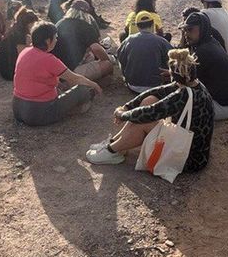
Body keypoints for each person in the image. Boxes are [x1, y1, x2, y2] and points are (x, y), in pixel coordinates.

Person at [86, 48, 214, 171]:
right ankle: (116, 144)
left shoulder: (183, 95)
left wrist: (122, 114)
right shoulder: (195, 85)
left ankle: (112, 150)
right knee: (149, 100)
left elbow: (150, 113)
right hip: (192, 149)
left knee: (142, 121)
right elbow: (156, 92)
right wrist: (127, 107)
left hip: (188, 159)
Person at [13, 22, 102, 126]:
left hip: (17, 109)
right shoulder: (49, 59)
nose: (56, 40)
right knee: (82, 90)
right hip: (39, 113)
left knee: (60, 87)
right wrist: (94, 85)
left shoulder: (24, 52)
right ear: (48, 41)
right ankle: (76, 108)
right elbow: (75, 79)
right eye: (55, 37)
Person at [179, 11, 228, 120]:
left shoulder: (204, 51)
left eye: (190, 30)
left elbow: (185, 80)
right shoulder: (210, 42)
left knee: (176, 105)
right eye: (185, 30)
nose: (186, 34)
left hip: (221, 107)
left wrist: (172, 74)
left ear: (202, 29)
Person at [54, 0, 114, 81]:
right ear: (86, 14)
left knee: (90, 55)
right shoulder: (85, 26)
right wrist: (107, 60)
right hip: (70, 73)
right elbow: (96, 48)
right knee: (107, 65)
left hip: (57, 70)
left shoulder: (59, 23)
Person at [118, 11, 173, 93]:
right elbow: (174, 59)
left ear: (137, 26)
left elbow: (121, 59)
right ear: (152, 24)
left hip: (133, 85)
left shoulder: (128, 40)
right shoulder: (161, 41)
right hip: (156, 86)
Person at [0, 7, 40, 81]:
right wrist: (30, 46)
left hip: (7, 70)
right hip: (11, 72)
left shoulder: (14, 30)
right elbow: (22, 56)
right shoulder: (20, 35)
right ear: (28, 24)